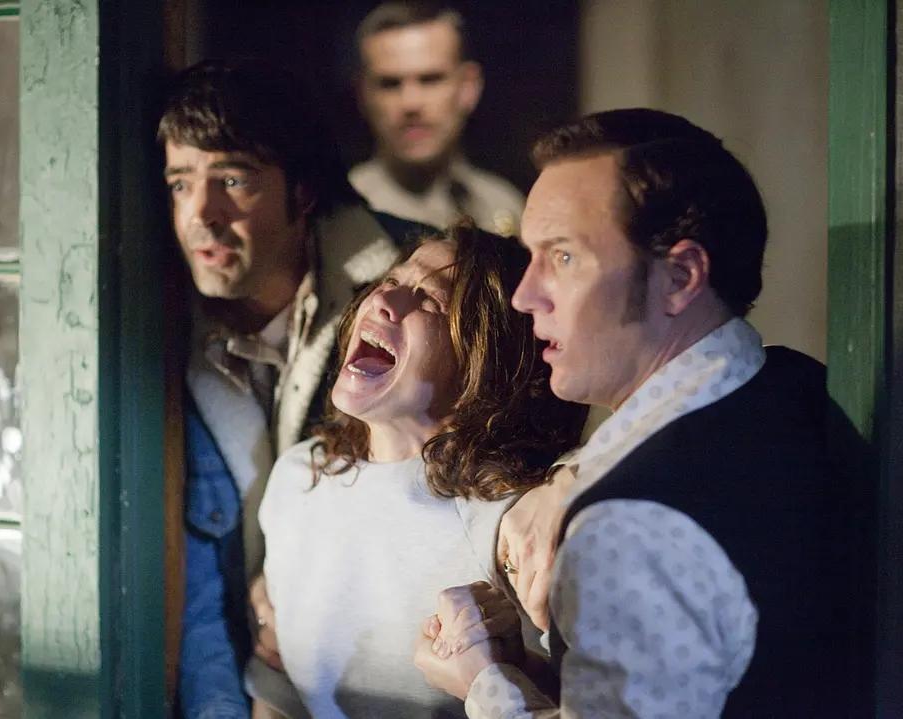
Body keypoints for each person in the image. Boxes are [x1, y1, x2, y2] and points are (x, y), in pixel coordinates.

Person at [414, 109, 847, 717]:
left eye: (563, 257)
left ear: (680, 277)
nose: (524, 295)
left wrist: (483, 682)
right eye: (531, 256)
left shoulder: (627, 523)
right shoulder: (793, 382)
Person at [159, 58, 425, 718]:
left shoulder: (410, 295)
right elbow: (198, 595)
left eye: (233, 180)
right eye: (180, 183)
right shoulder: (160, 331)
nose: (201, 215)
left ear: (302, 192)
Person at [254, 224, 586, 717]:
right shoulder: (298, 475)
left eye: (430, 300)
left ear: (481, 362)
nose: (384, 301)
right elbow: (278, 688)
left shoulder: (514, 523)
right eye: (391, 281)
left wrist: (517, 668)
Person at [350, 2, 525, 236]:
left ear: (468, 86)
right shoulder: (339, 216)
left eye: (431, 79)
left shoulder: (504, 207)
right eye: (390, 84)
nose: (411, 103)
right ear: (363, 94)